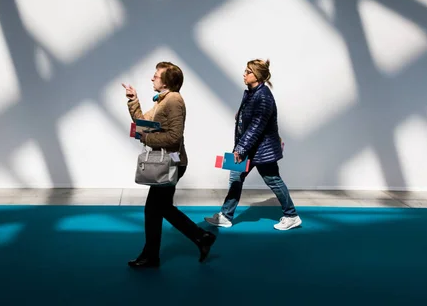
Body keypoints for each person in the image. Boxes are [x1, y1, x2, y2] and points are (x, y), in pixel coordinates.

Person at [122, 61, 216, 268]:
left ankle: (152, 256)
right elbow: (142, 122)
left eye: (156, 75)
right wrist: (133, 101)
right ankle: (201, 237)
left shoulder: (173, 101)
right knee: (162, 208)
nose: (152, 78)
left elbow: (174, 137)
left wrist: (146, 139)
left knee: (153, 210)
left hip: (171, 163)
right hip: (170, 162)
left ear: (166, 81)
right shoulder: (163, 100)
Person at [204, 59, 302, 230]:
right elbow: (252, 118)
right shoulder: (252, 92)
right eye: (245, 70)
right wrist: (241, 115)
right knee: (236, 177)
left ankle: (292, 215)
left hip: (262, 150)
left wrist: (241, 149)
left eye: (248, 71)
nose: (244, 74)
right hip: (252, 148)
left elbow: (257, 126)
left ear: (256, 75)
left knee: (273, 180)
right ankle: (226, 216)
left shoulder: (263, 96)